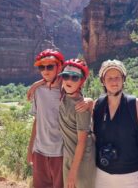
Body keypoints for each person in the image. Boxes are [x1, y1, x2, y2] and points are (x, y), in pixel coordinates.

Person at [93, 59, 138, 188]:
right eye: (109, 78)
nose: (114, 81)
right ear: (103, 81)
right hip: (103, 174)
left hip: (133, 175)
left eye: (117, 77)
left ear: (123, 79)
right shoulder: (97, 105)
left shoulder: (135, 104)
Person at [27, 49, 65, 188]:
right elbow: (37, 121)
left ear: (59, 67)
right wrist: (30, 149)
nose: (45, 70)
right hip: (39, 152)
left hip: (60, 153)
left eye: (50, 66)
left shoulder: (67, 90)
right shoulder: (38, 91)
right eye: (41, 67)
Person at [58, 59, 95, 188]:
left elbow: (82, 142)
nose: (69, 80)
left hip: (82, 162)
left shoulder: (81, 107)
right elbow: (48, 79)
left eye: (75, 78)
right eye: (65, 76)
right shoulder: (64, 96)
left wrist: (73, 172)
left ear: (81, 82)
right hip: (69, 157)